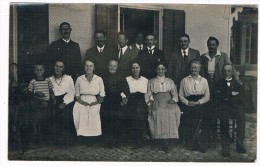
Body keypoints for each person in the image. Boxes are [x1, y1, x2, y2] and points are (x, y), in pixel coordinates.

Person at [200, 36, 242, 146]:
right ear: (207, 45)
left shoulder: (223, 56)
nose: (211, 47)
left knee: (219, 104)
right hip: (208, 83)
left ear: (217, 45)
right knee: (210, 108)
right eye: (209, 44)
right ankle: (211, 137)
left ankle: (223, 137)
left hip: (220, 83)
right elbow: (201, 72)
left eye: (213, 45)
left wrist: (237, 79)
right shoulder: (204, 57)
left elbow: (231, 68)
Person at [145, 62, 181, 152]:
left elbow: (175, 93)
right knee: (159, 112)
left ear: (166, 70)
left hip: (169, 100)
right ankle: (162, 140)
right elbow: (149, 93)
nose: (160, 70)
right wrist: (150, 102)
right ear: (155, 70)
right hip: (157, 100)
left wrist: (174, 99)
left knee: (174, 111)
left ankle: (169, 138)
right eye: (159, 69)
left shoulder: (170, 81)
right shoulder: (151, 81)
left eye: (162, 69)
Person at [214, 63, 246, 156]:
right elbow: (217, 96)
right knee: (224, 119)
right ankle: (225, 147)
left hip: (236, 107)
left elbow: (242, 97)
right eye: (224, 71)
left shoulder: (238, 83)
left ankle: (239, 144)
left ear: (232, 72)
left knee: (241, 117)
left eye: (229, 71)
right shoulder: (219, 83)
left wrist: (227, 96)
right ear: (222, 72)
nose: (226, 73)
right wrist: (232, 93)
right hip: (224, 107)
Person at [179, 59, 210, 153]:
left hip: (200, 103)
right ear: (190, 68)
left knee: (201, 114)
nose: (194, 69)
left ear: (200, 69)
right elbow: (180, 95)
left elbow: (207, 96)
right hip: (188, 103)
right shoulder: (184, 80)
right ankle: (192, 142)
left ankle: (199, 141)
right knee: (190, 115)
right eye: (192, 67)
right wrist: (187, 102)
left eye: (196, 67)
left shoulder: (204, 81)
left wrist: (199, 102)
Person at [73, 58, 105, 140]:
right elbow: (77, 94)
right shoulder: (79, 79)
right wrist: (82, 102)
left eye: (91, 66)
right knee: (81, 110)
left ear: (94, 67)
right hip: (81, 99)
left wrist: (96, 102)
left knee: (93, 111)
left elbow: (102, 94)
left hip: (94, 99)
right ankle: (82, 135)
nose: (88, 68)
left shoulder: (99, 79)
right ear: (84, 67)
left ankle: (93, 136)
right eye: (86, 65)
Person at [101, 59, 130, 147]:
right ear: (107, 66)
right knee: (106, 117)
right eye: (110, 65)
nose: (112, 67)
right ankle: (107, 140)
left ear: (117, 67)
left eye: (114, 66)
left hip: (117, 101)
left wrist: (124, 98)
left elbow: (126, 90)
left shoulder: (121, 77)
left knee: (117, 117)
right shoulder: (102, 77)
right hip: (106, 101)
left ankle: (117, 140)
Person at [49, 60, 75, 145]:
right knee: (53, 113)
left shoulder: (68, 78)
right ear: (53, 67)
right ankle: (56, 139)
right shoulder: (50, 79)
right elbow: (50, 92)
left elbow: (72, 93)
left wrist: (65, 103)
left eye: (60, 67)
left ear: (63, 69)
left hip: (66, 100)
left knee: (65, 115)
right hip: (54, 101)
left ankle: (65, 139)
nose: (58, 68)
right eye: (56, 66)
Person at [27, 64, 55, 141]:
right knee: (34, 115)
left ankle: (41, 132)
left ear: (44, 71)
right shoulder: (33, 81)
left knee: (44, 113)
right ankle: (36, 132)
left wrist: (53, 99)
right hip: (36, 102)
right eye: (37, 70)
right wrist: (36, 93)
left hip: (46, 101)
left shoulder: (47, 80)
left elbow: (51, 91)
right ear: (34, 71)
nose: (39, 71)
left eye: (40, 70)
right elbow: (29, 92)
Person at [125, 60, 148, 147]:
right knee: (134, 111)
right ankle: (136, 138)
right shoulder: (127, 79)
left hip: (142, 100)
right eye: (133, 68)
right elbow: (123, 91)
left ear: (140, 69)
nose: (135, 70)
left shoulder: (145, 80)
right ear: (131, 69)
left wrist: (149, 102)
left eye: (137, 68)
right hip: (131, 99)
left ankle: (140, 138)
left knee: (139, 112)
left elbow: (148, 93)